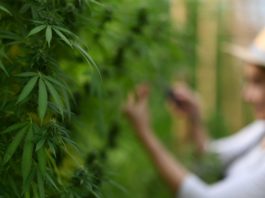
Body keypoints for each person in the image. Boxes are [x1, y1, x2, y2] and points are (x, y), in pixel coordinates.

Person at [123, 27, 265, 198]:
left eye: (258, 82)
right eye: (247, 81)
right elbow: (212, 158)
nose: (246, 96)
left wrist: (144, 133)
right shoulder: (260, 130)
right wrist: (194, 118)